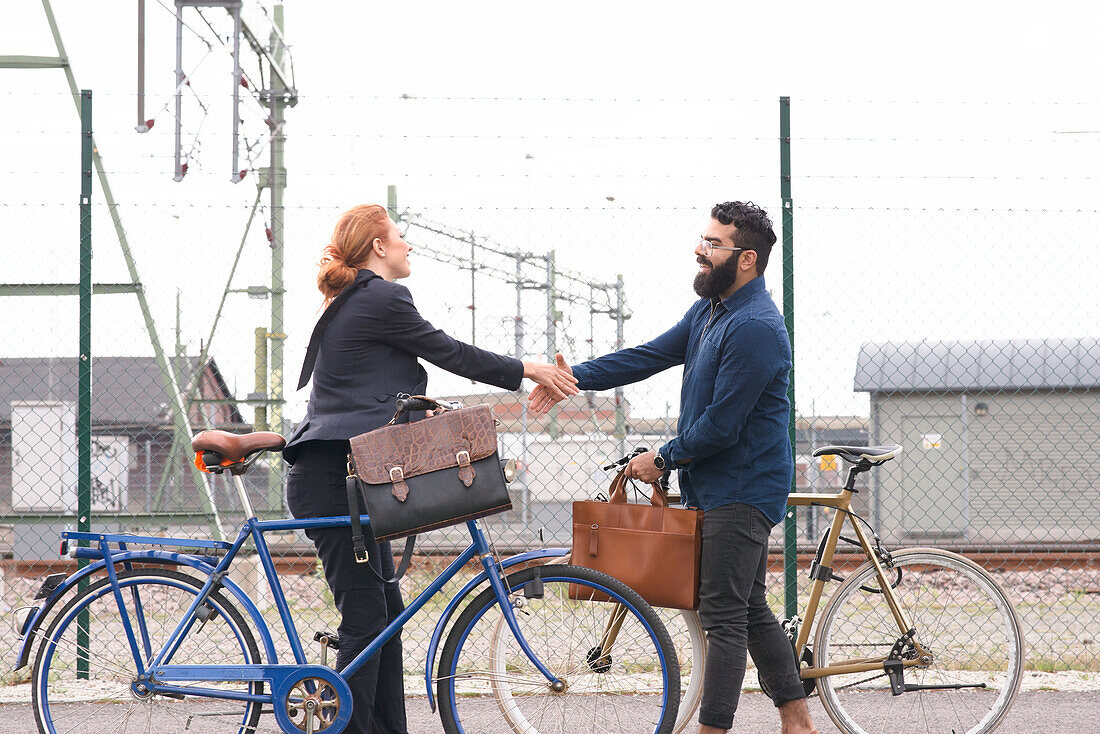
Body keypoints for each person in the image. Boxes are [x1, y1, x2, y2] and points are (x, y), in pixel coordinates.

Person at [284, 203, 578, 734]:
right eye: (399, 236)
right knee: (368, 615)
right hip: (337, 482)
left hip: (344, 479)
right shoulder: (380, 297)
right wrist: (528, 367)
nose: (408, 245)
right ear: (378, 246)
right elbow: (450, 352)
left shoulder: (355, 300)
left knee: (383, 615)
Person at [529, 201, 818, 734]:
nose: (699, 250)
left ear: (747, 258)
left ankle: (715, 729)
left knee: (722, 616)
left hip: (743, 489)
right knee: (747, 607)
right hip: (717, 486)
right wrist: (573, 378)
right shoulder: (713, 311)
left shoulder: (755, 326)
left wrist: (662, 458)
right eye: (702, 240)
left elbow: (722, 426)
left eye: (713, 244)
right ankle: (798, 723)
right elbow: (648, 355)